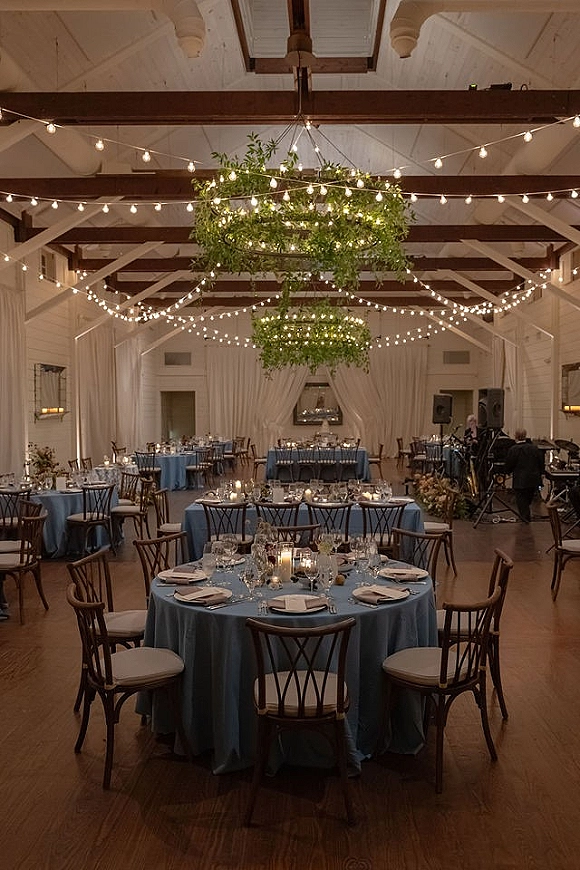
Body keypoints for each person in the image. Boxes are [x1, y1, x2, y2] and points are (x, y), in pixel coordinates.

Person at [503, 428, 544, 523]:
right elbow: (540, 462)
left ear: (515, 436)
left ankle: (525, 519)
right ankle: (526, 516)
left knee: (521, 500)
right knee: (528, 499)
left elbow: (509, 464)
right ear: (525, 435)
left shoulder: (513, 450)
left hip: (520, 480)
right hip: (533, 479)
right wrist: (541, 474)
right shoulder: (534, 448)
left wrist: (507, 471)